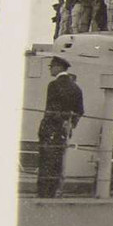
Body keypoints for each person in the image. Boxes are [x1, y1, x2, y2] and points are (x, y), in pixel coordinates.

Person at [36, 56, 84, 198]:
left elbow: (52, 109)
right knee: (57, 161)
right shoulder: (76, 88)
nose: (50, 69)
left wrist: (60, 121)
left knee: (46, 161)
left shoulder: (54, 85)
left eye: (51, 67)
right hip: (63, 132)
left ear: (58, 67)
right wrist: (70, 124)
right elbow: (80, 111)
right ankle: (53, 191)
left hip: (50, 129)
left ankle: (43, 193)